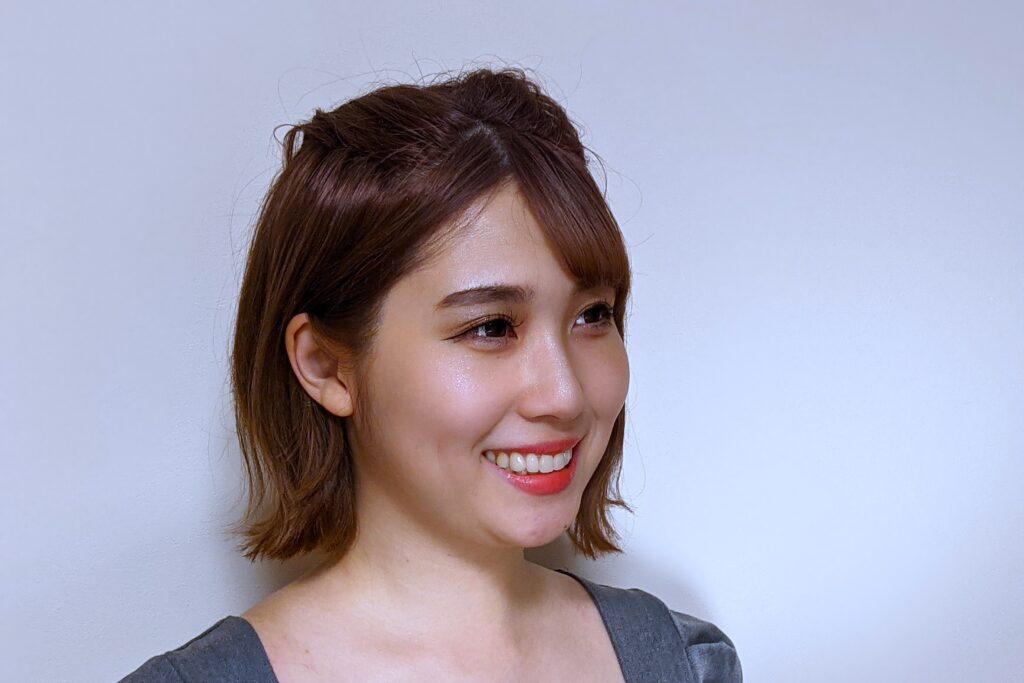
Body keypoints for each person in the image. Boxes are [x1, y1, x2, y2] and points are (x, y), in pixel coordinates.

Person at [118, 66, 742, 682]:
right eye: (491, 327)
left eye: (593, 315)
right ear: (326, 365)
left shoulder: (686, 663)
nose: (565, 394)